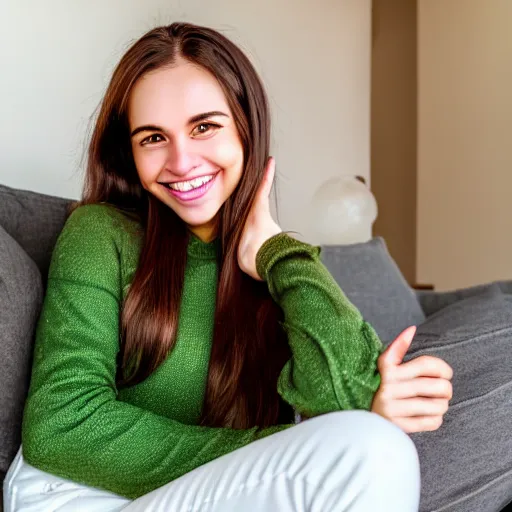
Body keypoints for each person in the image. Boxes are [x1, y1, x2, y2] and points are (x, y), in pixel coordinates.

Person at [3, 22, 453, 511]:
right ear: (129, 153)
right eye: (153, 137)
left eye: (204, 126)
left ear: (245, 127)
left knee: (374, 445)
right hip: (74, 494)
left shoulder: (271, 268)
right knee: (375, 449)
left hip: (199, 494)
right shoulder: (101, 232)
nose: (181, 161)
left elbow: (343, 400)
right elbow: (63, 424)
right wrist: (282, 451)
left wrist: (281, 253)